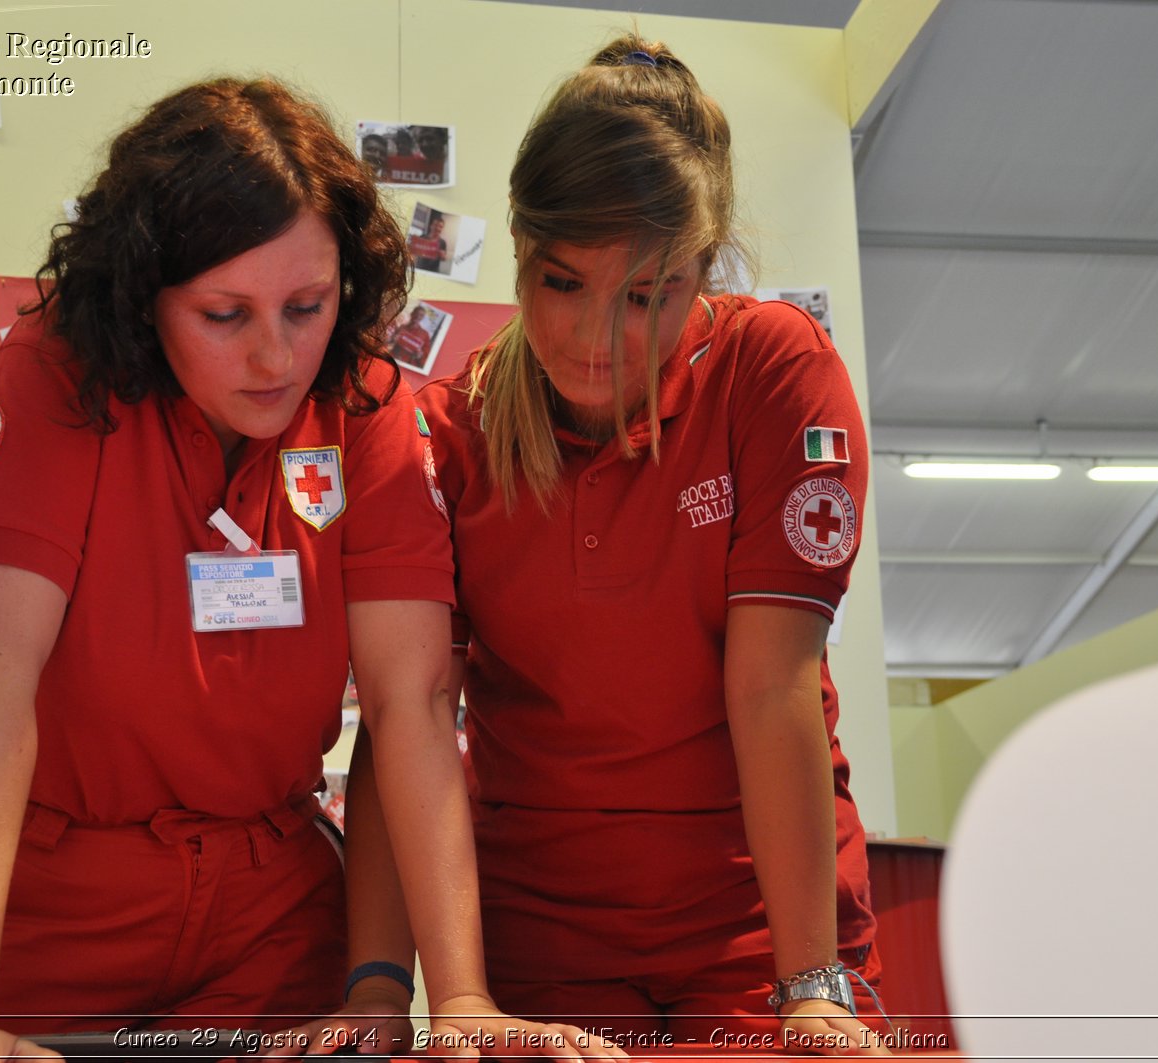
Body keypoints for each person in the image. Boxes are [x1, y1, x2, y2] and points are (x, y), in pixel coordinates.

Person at [0, 77, 611, 1063]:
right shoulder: (55, 374)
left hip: (266, 918)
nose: (276, 355)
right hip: (46, 905)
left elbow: (409, 705)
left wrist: (451, 994)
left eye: (307, 305)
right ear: (143, 294)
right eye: (222, 314)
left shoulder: (369, 407)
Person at [416, 37, 890, 1054]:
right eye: (561, 282)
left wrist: (811, 983)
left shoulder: (772, 371)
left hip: (761, 919)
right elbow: (414, 717)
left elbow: (772, 690)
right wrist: (418, 987)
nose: (597, 337)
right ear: (516, 245)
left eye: (647, 295)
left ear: (703, 272)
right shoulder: (450, 429)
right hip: (546, 932)